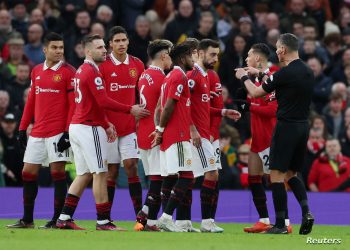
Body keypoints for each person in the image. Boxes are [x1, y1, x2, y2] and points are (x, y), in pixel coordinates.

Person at [56, 34, 149, 231]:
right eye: (99, 47)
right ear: (88, 51)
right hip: (89, 128)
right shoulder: (92, 72)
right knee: (100, 173)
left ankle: (64, 217)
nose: (104, 50)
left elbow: (93, 104)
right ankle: (103, 221)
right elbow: (103, 101)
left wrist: (106, 123)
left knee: (84, 174)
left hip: (78, 126)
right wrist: (129, 109)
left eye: (102, 47)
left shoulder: (81, 70)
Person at [235, 33, 315, 234]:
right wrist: (261, 74)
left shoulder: (283, 73)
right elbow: (283, 86)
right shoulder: (307, 71)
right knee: (292, 174)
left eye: (278, 48)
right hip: (303, 127)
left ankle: (280, 224)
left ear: (282, 50)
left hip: (285, 127)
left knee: (277, 176)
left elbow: (255, 93)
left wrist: (244, 77)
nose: (277, 52)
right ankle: (306, 212)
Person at [6, 33, 76, 229]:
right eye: (54, 47)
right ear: (45, 50)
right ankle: (27, 220)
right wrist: (22, 127)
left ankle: (56, 220)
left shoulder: (70, 72)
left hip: (58, 131)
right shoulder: (36, 71)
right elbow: (31, 101)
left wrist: (67, 132)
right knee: (27, 173)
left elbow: (73, 106)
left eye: (61, 48)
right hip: (37, 131)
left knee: (57, 173)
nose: (59, 51)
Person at [184, 39, 241, 233]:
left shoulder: (209, 76)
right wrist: (192, 130)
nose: (216, 58)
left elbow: (203, 106)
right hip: (197, 134)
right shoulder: (192, 76)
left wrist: (223, 112)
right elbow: (183, 104)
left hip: (207, 134)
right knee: (209, 173)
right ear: (199, 53)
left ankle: (186, 221)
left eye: (217, 55)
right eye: (212, 54)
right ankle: (201, 221)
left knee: (196, 176)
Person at [99, 26, 146, 221]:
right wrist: (105, 122)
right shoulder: (102, 65)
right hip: (108, 127)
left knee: (131, 166)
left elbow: (142, 94)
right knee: (110, 172)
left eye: (123, 40)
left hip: (129, 127)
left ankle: (139, 217)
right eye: (116, 41)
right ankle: (106, 218)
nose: (121, 44)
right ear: (110, 44)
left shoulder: (138, 64)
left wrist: (141, 113)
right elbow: (99, 98)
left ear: (128, 42)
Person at [235, 43, 282, 233]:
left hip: (271, 139)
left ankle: (284, 221)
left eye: (248, 56)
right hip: (257, 139)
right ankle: (263, 220)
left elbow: (273, 111)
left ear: (258, 59)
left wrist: (249, 107)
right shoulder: (256, 83)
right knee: (253, 178)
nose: (246, 59)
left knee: (278, 181)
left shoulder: (273, 77)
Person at [134, 39, 173, 232]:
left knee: (154, 179)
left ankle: (150, 222)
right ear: (164, 55)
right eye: (170, 55)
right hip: (154, 131)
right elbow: (162, 108)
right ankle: (145, 212)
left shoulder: (144, 75)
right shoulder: (162, 78)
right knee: (160, 180)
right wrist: (160, 129)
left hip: (142, 131)